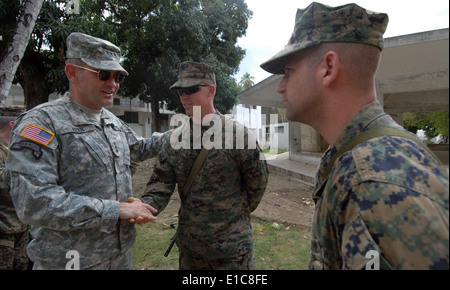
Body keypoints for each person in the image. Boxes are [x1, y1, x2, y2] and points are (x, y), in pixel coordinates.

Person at [260, 2, 449, 270]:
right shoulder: (372, 155)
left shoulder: (369, 179)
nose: (280, 87)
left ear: (328, 68)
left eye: (288, 71)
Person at [5, 32, 167, 270]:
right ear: (72, 72)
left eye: (117, 76)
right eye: (103, 74)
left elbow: (139, 147)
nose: (112, 83)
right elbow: (33, 202)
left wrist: (186, 133)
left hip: (120, 256)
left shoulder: (112, 122)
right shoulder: (40, 123)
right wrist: (117, 209)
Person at [140, 61, 269, 270]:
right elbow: (161, 183)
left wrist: (232, 216)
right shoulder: (174, 139)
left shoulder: (238, 136)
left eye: (190, 89)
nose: (184, 96)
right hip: (192, 251)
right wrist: (145, 206)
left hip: (232, 254)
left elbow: (258, 183)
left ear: (211, 91)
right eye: (180, 90)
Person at [0, 106, 30, 270]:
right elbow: (4, 183)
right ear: (13, 125)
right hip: (4, 229)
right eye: (27, 123)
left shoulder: (16, 149)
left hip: (21, 227)